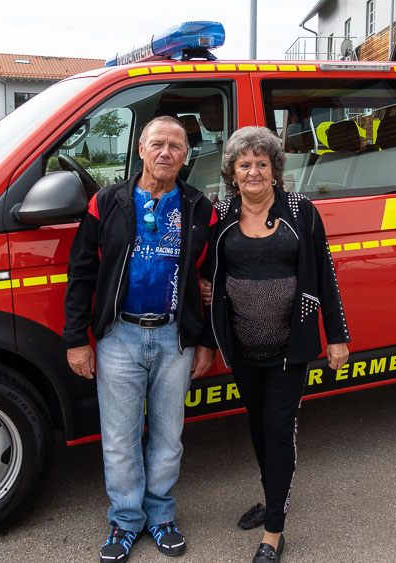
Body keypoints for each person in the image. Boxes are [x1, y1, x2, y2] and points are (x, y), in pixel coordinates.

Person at [63, 116, 217, 563]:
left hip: (174, 338)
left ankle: (161, 516)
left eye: (176, 146)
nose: (166, 152)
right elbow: (82, 274)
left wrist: (203, 340)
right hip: (118, 336)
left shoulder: (198, 207)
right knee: (119, 437)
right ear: (141, 151)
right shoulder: (106, 202)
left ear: (186, 157)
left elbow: (208, 277)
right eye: (158, 144)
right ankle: (126, 520)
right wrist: (76, 338)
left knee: (168, 437)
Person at [202, 126, 350, 563]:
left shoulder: (301, 210)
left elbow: (325, 275)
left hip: (292, 344)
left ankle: (274, 531)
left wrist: (337, 336)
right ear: (232, 171)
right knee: (256, 424)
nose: (253, 171)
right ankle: (273, 498)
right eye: (244, 164)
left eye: (261, 164)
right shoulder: (222, 211)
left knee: (278, 429)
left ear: (275, 170)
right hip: (242, 345)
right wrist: (207, 287)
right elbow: (206, 263)